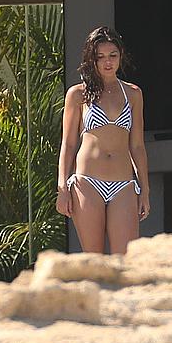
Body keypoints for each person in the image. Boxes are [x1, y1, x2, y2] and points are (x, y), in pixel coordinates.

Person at [56, 26, 150, 254]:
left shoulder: (133, 94)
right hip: (87, 182)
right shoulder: (78, 94)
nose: (107, 62)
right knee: (94, 261)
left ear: (120, 56)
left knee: (124, 262)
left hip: (124, 184)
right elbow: (68, 144)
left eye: (112, 56)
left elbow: (137, 145)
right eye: (100, 57)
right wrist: (62, 187)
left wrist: (144, 190)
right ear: (92, 59)